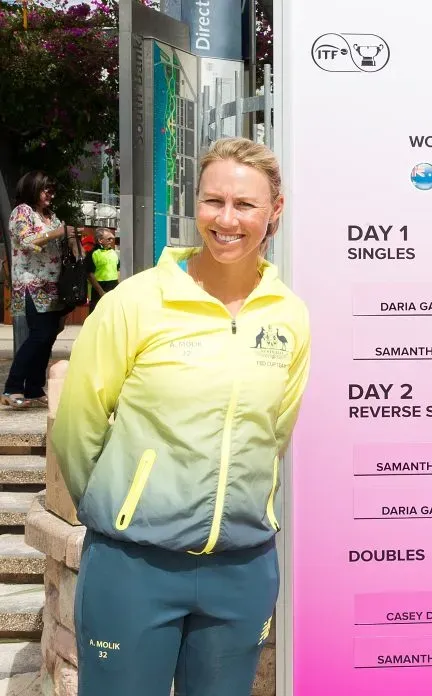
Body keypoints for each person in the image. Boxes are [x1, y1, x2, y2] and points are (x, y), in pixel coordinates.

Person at [51, 137, 311, 696]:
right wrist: (121, 511)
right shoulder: (136, 302)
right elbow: (79, 426)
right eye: (213, 201)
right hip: (134, 567)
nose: (227, 220)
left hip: (241, 569)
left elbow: (275, 432)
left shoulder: (289, 315)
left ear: (275, 211)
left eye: (245, 205)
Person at [3, 172, 69, 409]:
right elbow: (24, 240)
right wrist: (59, 232)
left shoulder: (51, 216)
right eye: (46, 190)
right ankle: (12, 387)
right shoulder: (22, 212)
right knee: (39, 335)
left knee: (48, 336)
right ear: (33, 189)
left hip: (52, 284)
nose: (50, 195)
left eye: (52, 190)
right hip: (32, 282)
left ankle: (33, 387)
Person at [85, 227, 119, 313]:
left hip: (113, 289)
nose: (111, 241)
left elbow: (118, 270)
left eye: (112, 238)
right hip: (98, 291)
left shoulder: (113, 252)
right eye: (109, 239)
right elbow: (90, 275)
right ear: (100, 240)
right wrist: (101, 292)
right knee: (97, 317)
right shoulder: (93, 253)